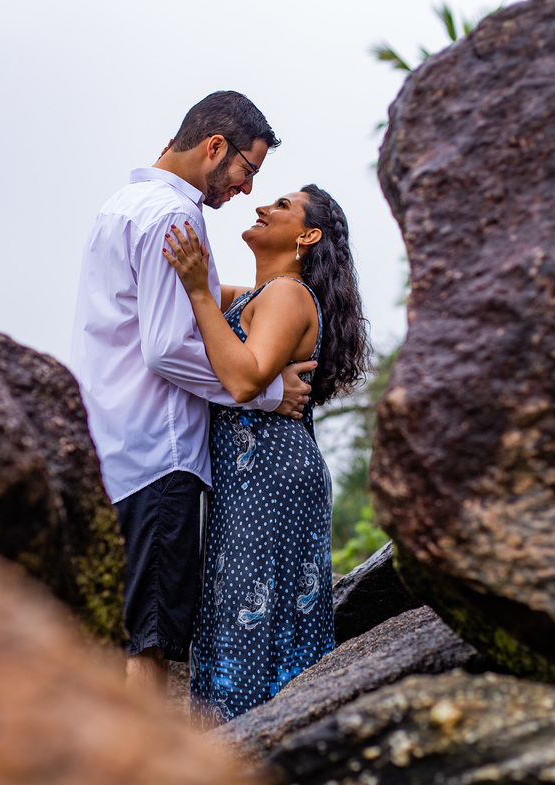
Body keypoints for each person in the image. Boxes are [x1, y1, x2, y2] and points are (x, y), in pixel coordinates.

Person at [69, 91, 315, 697]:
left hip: (109, 442)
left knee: (115, 632)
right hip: (159, 453)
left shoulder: (121, 207)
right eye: (246, 170)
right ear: (215, 148)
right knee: (147, 644)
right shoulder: (177, 218)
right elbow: (166, 347)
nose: (245, 189)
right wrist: (262, 395)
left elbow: (175, 312)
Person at [161, 184, 370, 726]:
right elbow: (197, 300)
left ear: (306, 235)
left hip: (272, 476)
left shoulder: (288, 295)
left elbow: (244, 377)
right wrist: (193, 281)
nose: (261, 206)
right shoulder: (261, 295)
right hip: (253, 479)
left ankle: (254, 752)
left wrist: (200, 295)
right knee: (242, 613)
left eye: (280, 205)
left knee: (248, 618)